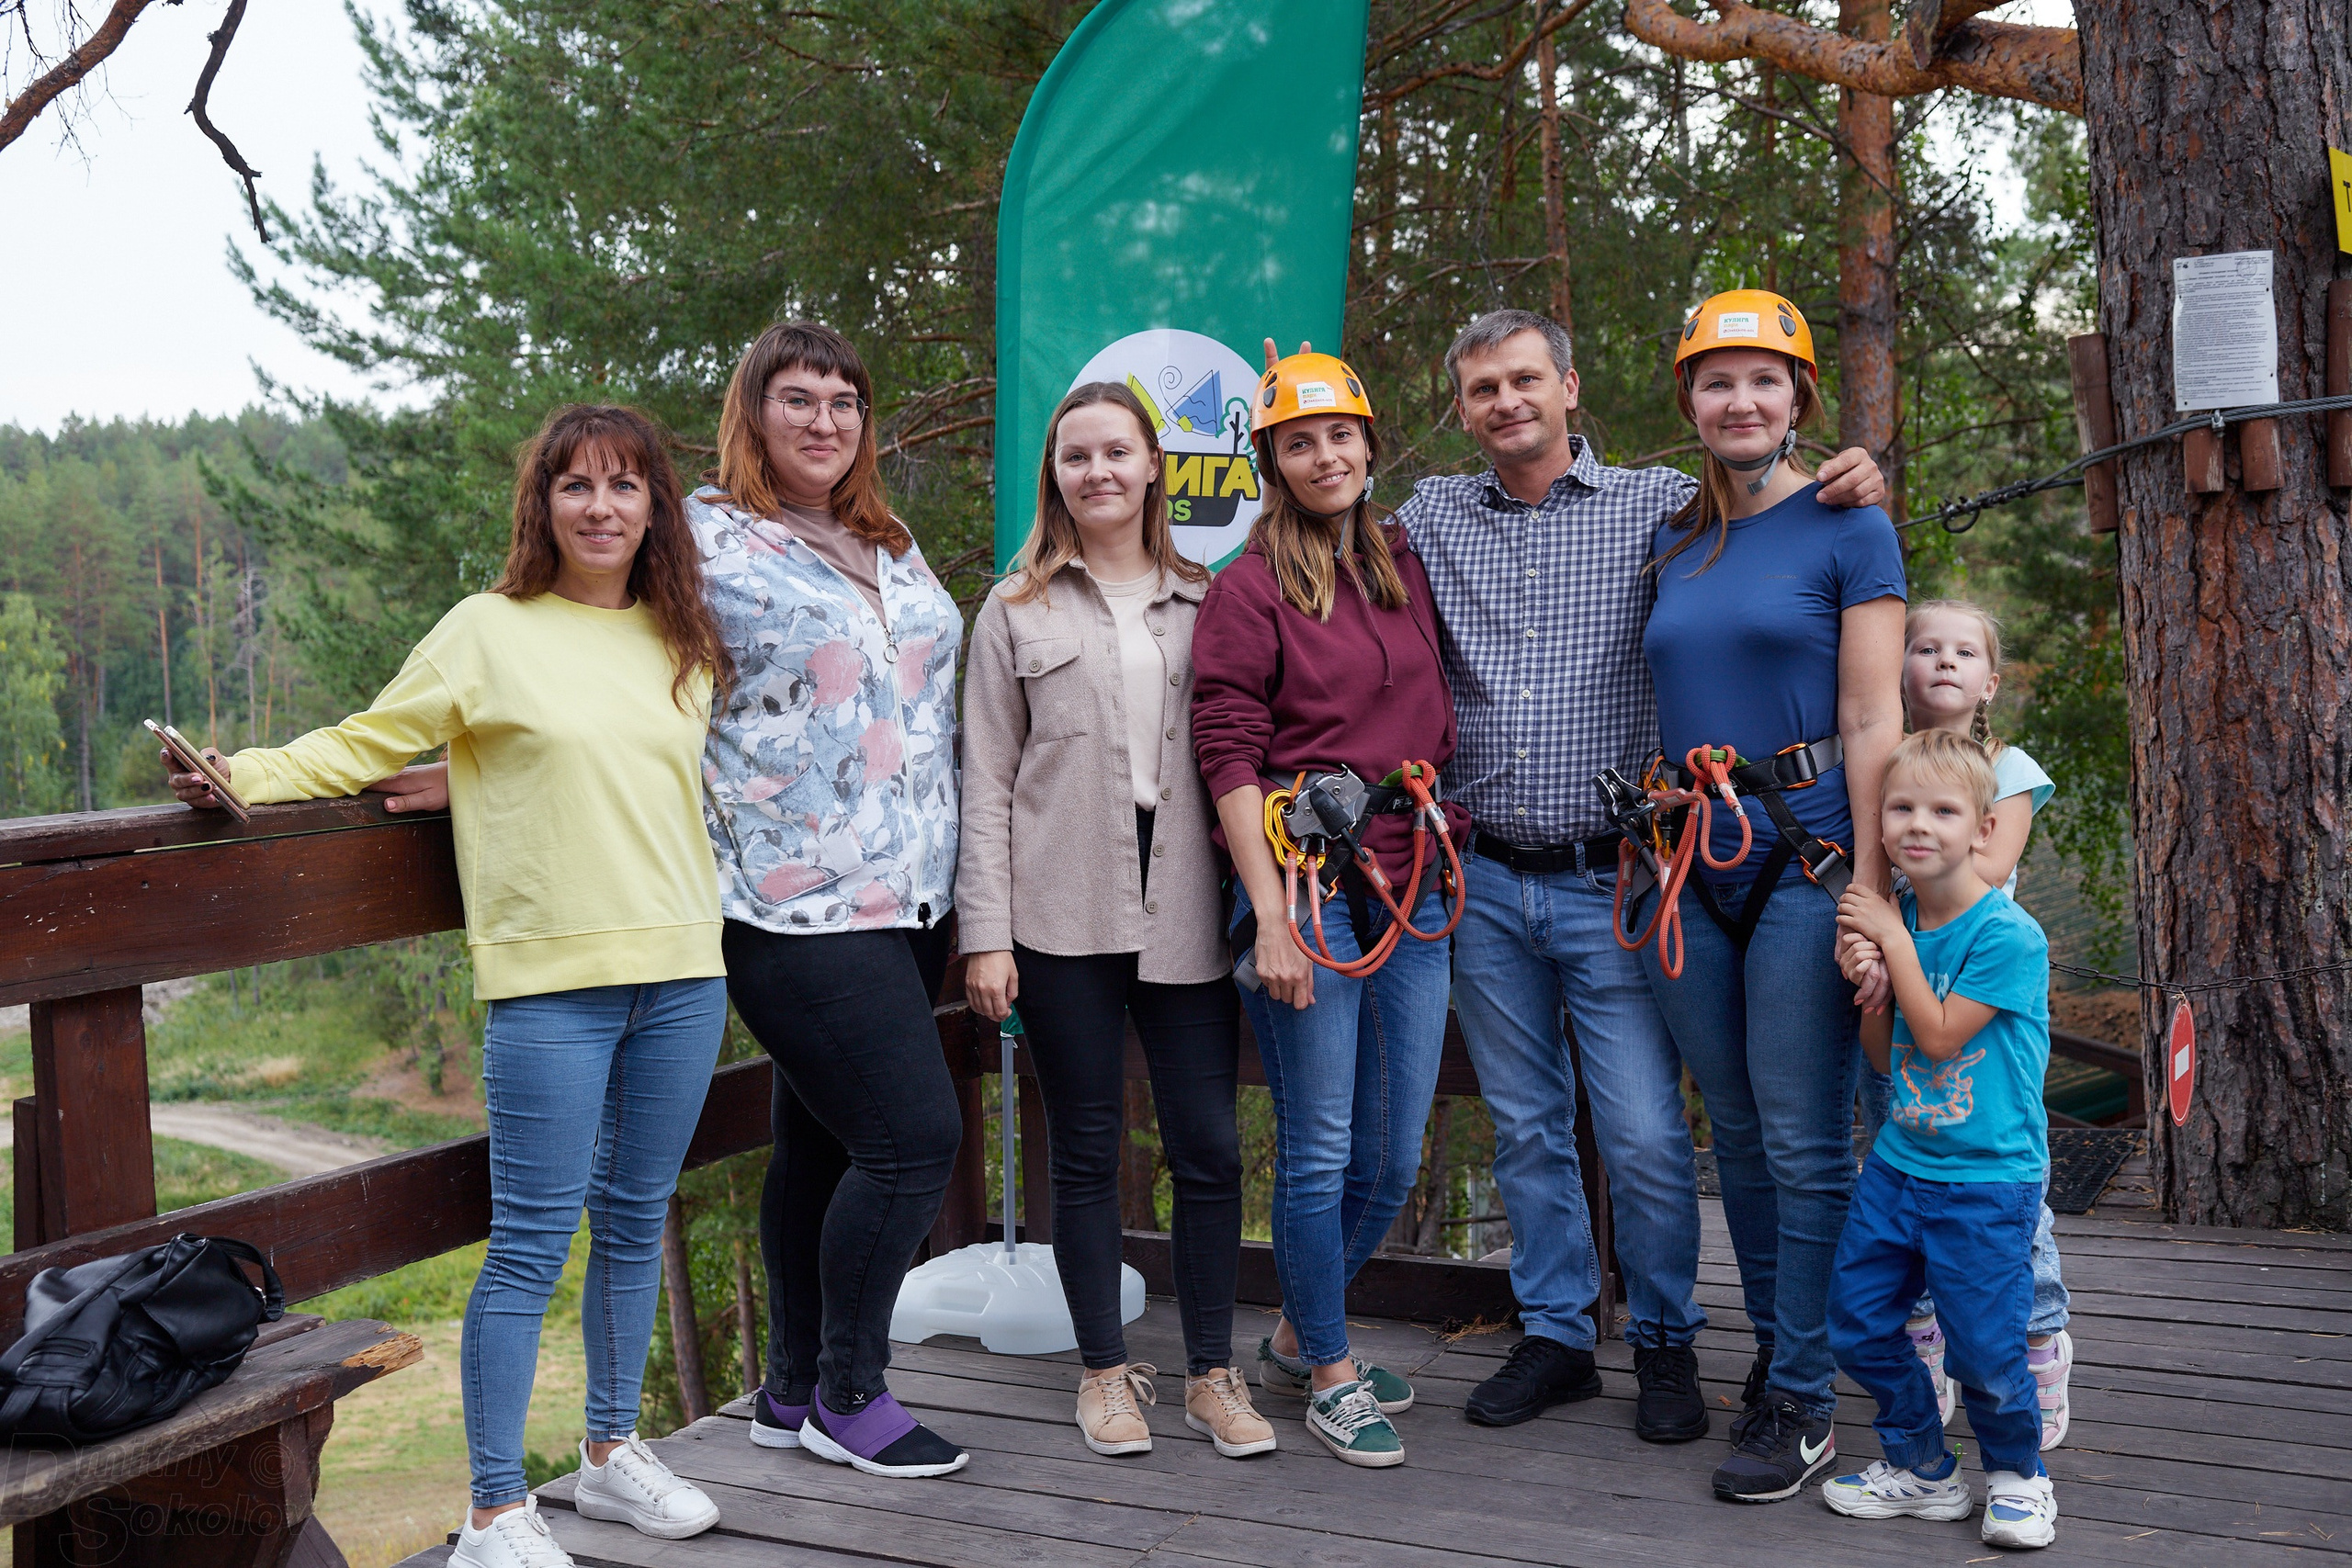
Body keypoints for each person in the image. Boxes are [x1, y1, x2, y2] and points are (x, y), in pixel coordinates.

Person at [165, 404, 730, 1568]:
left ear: (653, 507)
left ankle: (611, 1455)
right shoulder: (485, 629)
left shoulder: (685, 640)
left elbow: (623, 782)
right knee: (529, 1247)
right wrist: (246, 774)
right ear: (545, 505)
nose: (601, 507)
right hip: (550, 988)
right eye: (576, 486)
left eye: (625, 486)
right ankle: (490, 1513)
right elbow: (366, 742)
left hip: (682, 975)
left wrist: (468, 783)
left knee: (630, 1228)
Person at [1398, 307, 1886, 1440]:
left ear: (1571, 388)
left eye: (1526, 380)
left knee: (1653, 1134)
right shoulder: (1429, 518)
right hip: (1499, 876)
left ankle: (1675, 1339)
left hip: (1626, 873)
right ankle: (1563, 1335)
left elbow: (1796, 539)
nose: (1506, 402)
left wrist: (1849, 471)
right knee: (1529, 1125)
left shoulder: (1654, 512)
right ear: (1462, 411)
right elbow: (1324, 538)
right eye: (1481, 390)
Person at [958, 380, 1274, 1461]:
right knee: (1086, 1150)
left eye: (1116, 453)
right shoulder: (1014, 610)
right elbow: (987, 779)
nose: (1096, 472)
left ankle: (1212, 1377)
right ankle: (1104, 1375)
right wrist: (985, 933)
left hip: (1184, 897)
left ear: (1154, 470)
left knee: (1208, 1148)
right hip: (1058, 910)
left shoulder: (1212, 599)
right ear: (1055, 475)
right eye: (1075, 456)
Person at [1634, 290, 1906, 1503]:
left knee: (1805, 1141)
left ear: (1799, 398)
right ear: (1688, 402)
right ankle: (1779, 1358)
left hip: (1808, 856)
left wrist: (1876, 893)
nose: (1739, 400)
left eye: (1764, 380)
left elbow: (1871, 715)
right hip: (1690, 864)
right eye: (1715, 381)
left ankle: (1805, 1393)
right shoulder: (1672, 541)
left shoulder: (1852, 528)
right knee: (1733, 1133)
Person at [693, 321, 970, 1478]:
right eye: (797, 399)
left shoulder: (885, 542)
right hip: (793, 903)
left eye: (844, 401)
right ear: (753, 415)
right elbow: (591, 671)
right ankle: (855, 1396)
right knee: (914, 1145)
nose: (824, 420)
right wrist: (450, 765)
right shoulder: (702, 544)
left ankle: (793, 1387)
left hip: (908, 899)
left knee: (818, 1152)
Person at [1192, 343, 1470, 1468]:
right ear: (1270, 460)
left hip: (1409, 873)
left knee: (1391, 1156)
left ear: (1366, 442)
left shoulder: (1402, 557)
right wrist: (1265, 916)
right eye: (1298, 442)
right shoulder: (1247, 588)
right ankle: (1334, 1374)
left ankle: (1303, 1332)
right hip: (1305, 880)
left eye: (1339, 435)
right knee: (1316, 1150)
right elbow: (1228, 749)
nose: (1324, 456)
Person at [1825, 728, 2060, 1551]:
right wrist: (1876, 987)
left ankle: (2020, 1478)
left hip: (1987, 1179)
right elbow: (1886, 1055)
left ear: (1983, 828)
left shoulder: (2007, 935)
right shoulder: (1907, 919)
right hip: (1899, 1163)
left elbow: (1942, 1040)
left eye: (1943, 810)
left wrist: (1888, 938)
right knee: (1854, 1321)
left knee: (1985, 1349)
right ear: (1880, 824)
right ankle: (1923, 1467)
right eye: (1901, 808)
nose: (1919, 824)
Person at [1859, 599, 2072, 1447]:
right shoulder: (1887, 762)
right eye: (1924, 648)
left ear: (1989, 680)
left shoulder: (2007, 768)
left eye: (1963, 652)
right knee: (1899, 1144)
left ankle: (2038, 1334)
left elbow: (1982, 862)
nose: (1943, 662)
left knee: (2010, 1178)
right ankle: (1921, 1331)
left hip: (1979, 991)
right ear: (1900, 667)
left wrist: (1882, 918)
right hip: (1905, 983)